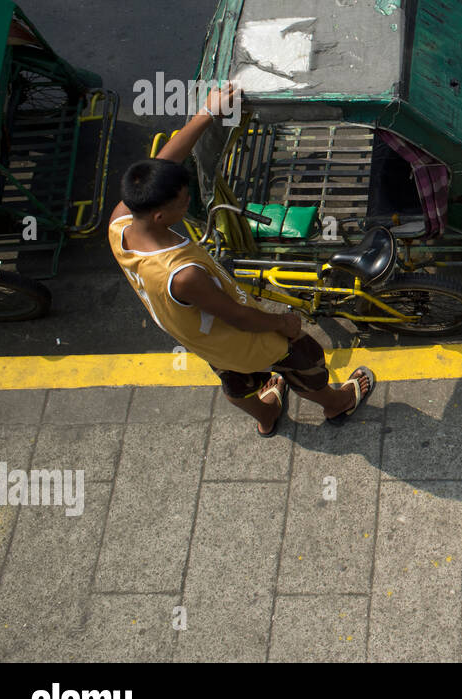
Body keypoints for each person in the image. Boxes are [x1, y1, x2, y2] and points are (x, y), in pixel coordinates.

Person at [108, 83, 374, 437]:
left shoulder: (122, 222)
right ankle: (336, 404)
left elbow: (165, 162)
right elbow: (237, 317)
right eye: (183, 202)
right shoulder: (182, 274)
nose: (188, 202)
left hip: (203, 340)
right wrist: (283, 325)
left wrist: (207, 113)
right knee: (304, 361)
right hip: (242, 337)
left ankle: (266, 416)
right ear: (159, 216)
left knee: (235, 381)